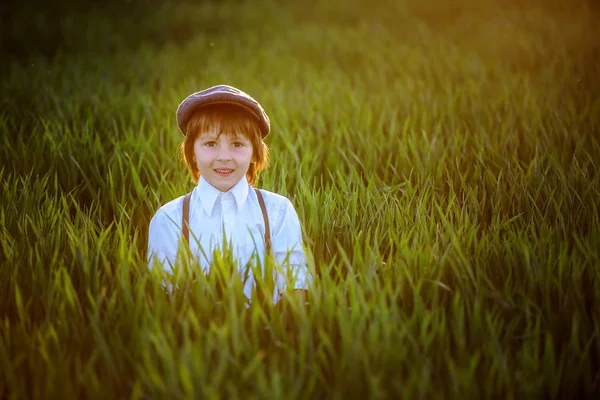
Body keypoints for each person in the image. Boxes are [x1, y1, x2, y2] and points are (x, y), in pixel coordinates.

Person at [147, 84, 311, 304]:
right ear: (192, 152)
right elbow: (161, 297)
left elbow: (295, 287)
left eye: (237, 144)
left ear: (255, 152)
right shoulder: (169, 219)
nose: (224, 156)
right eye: (211, 143)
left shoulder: (277, 211)